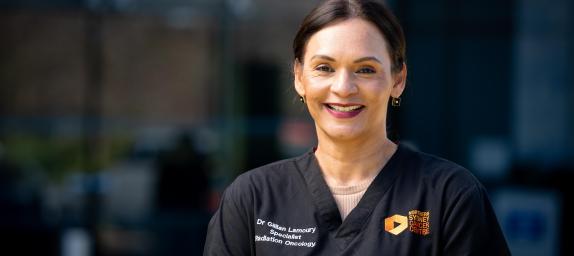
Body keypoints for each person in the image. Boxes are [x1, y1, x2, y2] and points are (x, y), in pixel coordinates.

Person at [204, 0, 510, 255]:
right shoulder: (252, 198)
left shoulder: (449, 197)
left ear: (398, 80)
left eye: (366, 69)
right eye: (324, 67)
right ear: (299, 77)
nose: (344, 87)